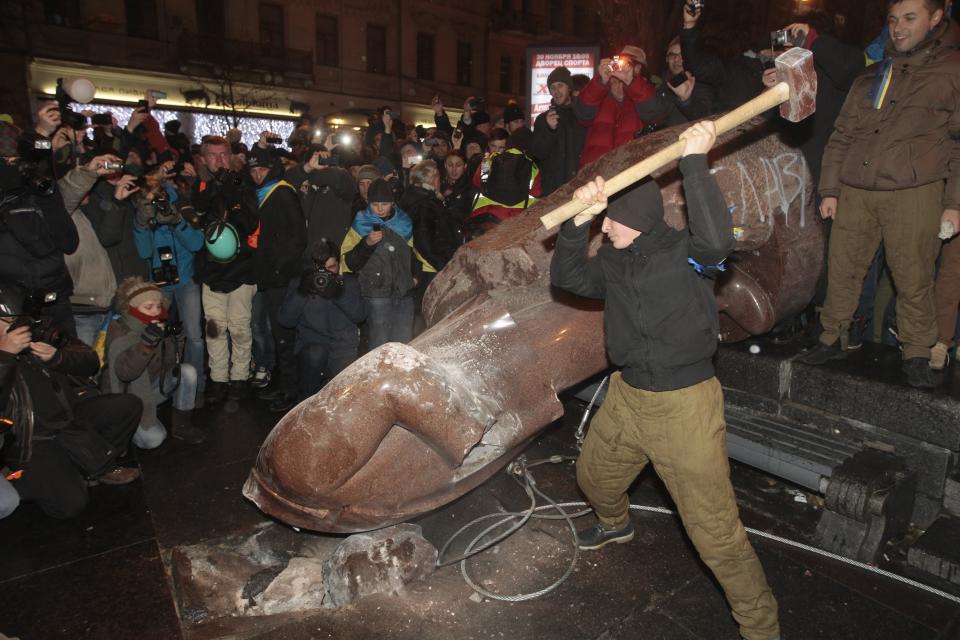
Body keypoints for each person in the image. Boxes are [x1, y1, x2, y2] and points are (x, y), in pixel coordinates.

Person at [550, 120, 780, 640]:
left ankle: (761, 627)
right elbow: (568, 278)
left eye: (611, 219)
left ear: (638, 220)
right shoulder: (613, 258)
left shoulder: (689, 257)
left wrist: (696, 161)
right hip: (630, 395)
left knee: (715, 535)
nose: (605, 228)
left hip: (685, 407)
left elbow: (719, 240)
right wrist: (574, 225)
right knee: (595, 478)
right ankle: (616, 524)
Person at [800, 0, 959, 389]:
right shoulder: (872, 75)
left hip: (914, 192)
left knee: (914, 275)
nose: (898, 28)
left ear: (936, 17)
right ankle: (832, 336)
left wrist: (954, 203)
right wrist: (830, 188)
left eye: (909, 18)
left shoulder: (952, 71)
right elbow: (841, 136)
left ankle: (917, 352)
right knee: (842, 268)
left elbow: (958, 144)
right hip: (856, 189)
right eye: (892, 19)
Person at [0, 281, 142, 519]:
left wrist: (58, 357)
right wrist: (5, 356)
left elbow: (89, 360)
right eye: (5, 322)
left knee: (127, 406)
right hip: (32, 439)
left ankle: (91, 467)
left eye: (16, 320)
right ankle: (25, 480)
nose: (13, 327)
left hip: (70, 415)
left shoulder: (36, 327)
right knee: (71, 505)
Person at [190, 135, 259, 406]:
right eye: (213, 155)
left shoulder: (243, 184)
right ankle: (218, 380)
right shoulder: (199, 187)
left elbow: (252, 222)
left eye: (223, 154)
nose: (219, 160)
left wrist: (234, 197)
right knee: (214, 329)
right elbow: (196, 216)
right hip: (210, 271)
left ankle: (240, 379)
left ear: (230, 156)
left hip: (241, 269)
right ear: (203, 158)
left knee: (240, 328)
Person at [101, 277, 206, 445]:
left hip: (154, 385)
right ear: (132, 308)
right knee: (154, 440)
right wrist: (146, 346)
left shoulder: (158, 325)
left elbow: (171, 364)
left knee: (187, 372)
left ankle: (181, 425)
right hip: (129, 398)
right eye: (148, 307)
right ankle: (130, 425)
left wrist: (176, 339)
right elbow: (125, 373)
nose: (155, 311)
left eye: (158, 306)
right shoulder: (120, 330)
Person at [247, 142, 307, 413]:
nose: (257, 174)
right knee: (277, 334)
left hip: (281, 278)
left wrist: (280, 269)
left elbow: (297, 237)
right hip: (271, 275)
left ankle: (290, 390)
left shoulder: (281, 192)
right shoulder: (262, 192)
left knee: (284, 335)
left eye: (261, 169)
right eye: (253, 170)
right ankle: (284, 384)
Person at [341, 178, 433, 350]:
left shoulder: (404, 222)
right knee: (379, 343)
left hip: (404, 293)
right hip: (376, 294)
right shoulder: (361, 223)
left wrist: (415, 278)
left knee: (404, 344)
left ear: (392, 203)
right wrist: (366, 243)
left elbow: (417, 255)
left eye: (385, 203)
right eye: (375, 204)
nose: (380, 209)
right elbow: (349, 262)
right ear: (368, 203)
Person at [278, 240, 366, 400]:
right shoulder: (301, 283)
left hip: (343, 348)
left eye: (331, 268)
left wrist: (339, 294)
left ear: (339, 264)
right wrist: (301, 293)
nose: (325, 274)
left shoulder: (349, 283)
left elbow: (360, 315)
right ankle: (306, 407)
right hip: (312, 347)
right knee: (315, 354)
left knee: (344, 398)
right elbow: (285, 321)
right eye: (321, 269)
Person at [575, 46, 656, 167]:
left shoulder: (646, 96)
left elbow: (656, 112)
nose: (623, 68)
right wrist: (600, 81)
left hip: (631, 173)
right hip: (596, 172)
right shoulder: (600, 96)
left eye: (630, 64)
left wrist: (633, 83)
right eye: (620, 62)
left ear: (639, 68)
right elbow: (582, 113)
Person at [531, 66, 588, 197]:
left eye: (560, 85)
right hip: (553, 192)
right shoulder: (543, 119)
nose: (556, 91)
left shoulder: (582, 115)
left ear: (569, 88)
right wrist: (549, 129)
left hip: (581, 188)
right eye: (552, 88)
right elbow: (538, 153)